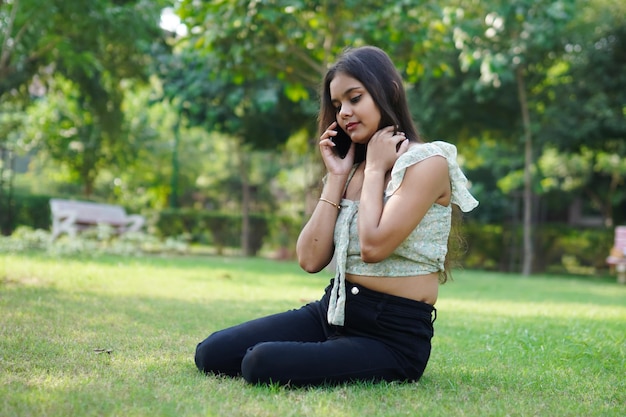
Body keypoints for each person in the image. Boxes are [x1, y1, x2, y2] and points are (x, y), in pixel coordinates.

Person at [194, 46, 478, 387]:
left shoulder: (427, 162)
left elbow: (374, 247)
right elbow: (310, 259)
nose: (344, 112)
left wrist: (375, 169)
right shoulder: (352, 166)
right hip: (332, 311)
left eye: (355, 98)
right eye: (338, 104)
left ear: (389, 90)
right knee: (211, 353)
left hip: (390, 337)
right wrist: (338, 177)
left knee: (259, 363)